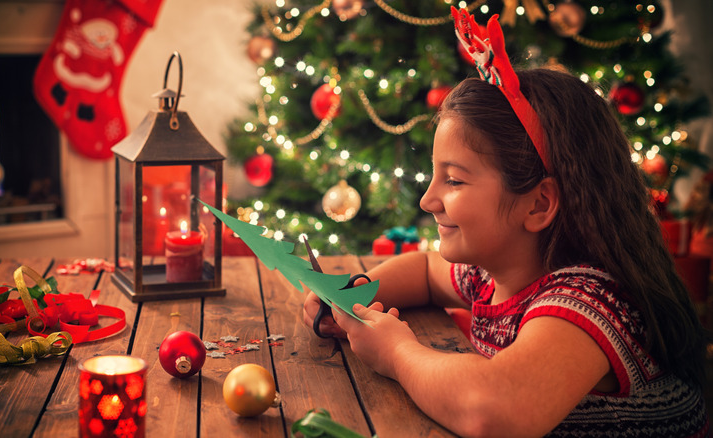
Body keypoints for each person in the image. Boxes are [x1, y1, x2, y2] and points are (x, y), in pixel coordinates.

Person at [302, 9, 709, 437]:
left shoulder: (588, 302)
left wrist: (396, 353)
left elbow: (492, 409)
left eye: (454, 180)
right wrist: (353, 293)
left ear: (537, 205)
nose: (427, 199)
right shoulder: (493, 275)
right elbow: (424, 270)